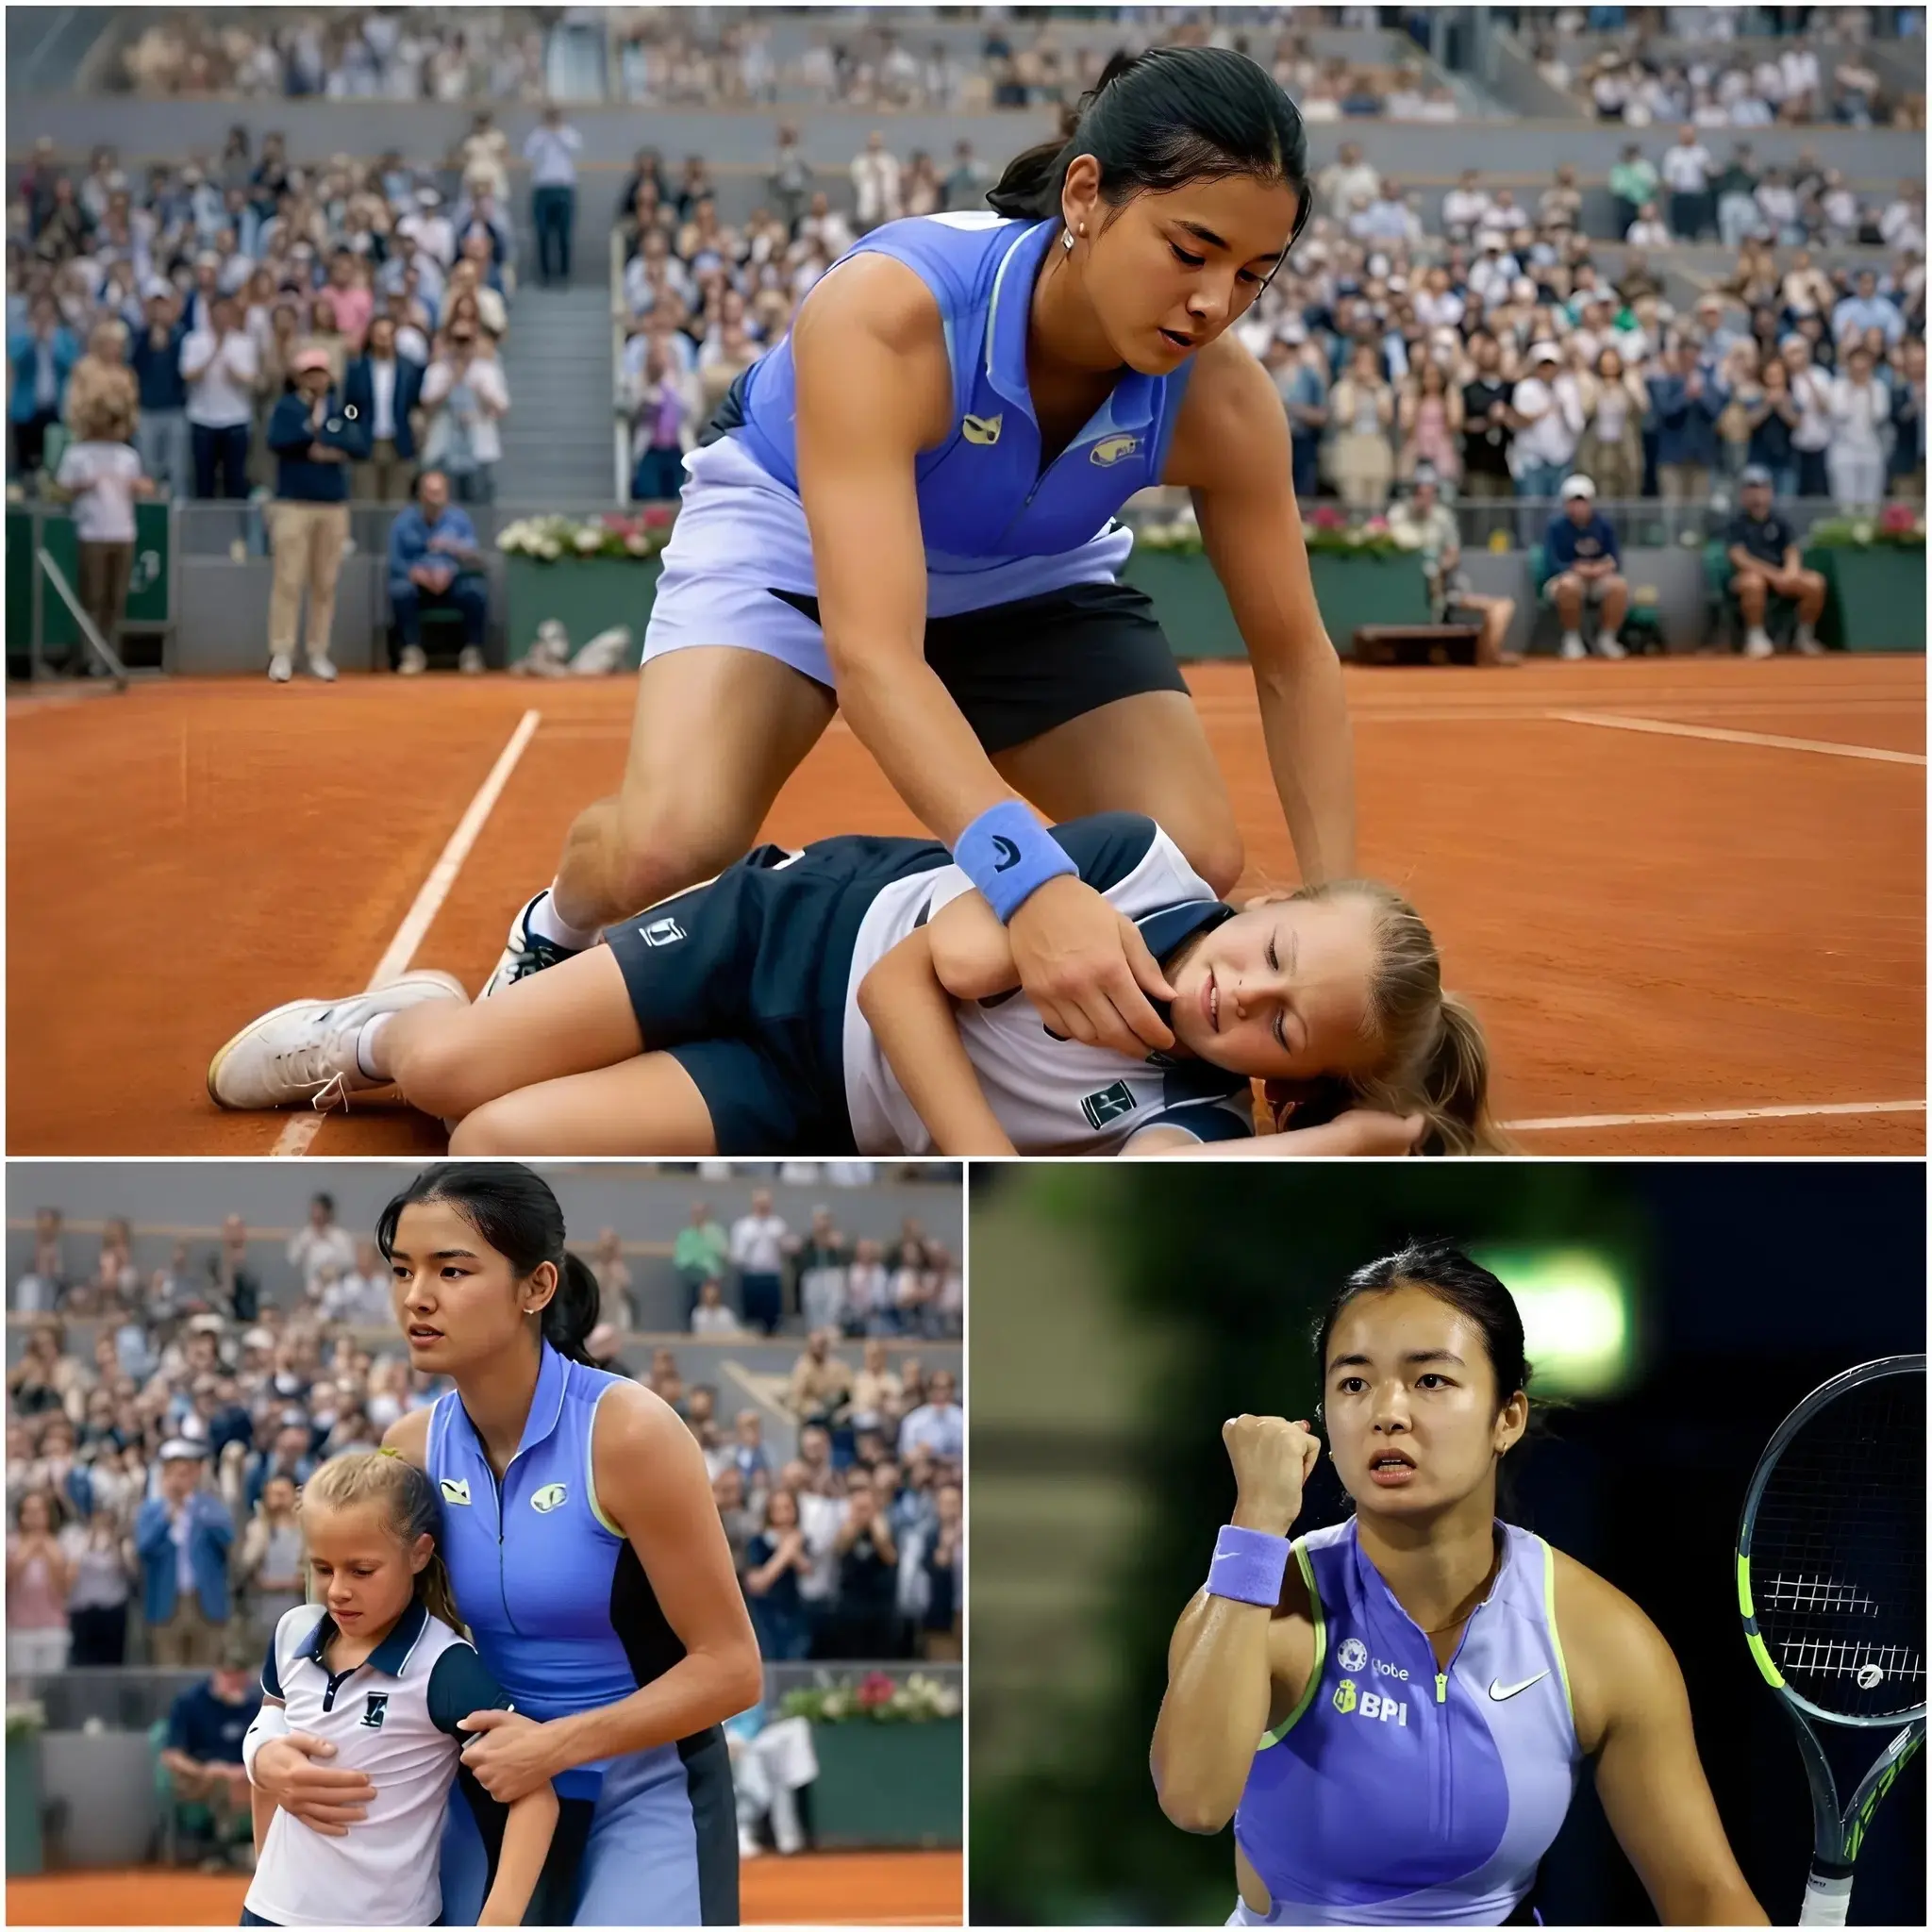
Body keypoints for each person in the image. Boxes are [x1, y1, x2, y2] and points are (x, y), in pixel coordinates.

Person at [475, 48, 1353, 1104]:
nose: (1215, 303)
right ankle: (554, 927)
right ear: (1085, 194)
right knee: (672, 841)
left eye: (1253, 275)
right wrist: (1027, 881)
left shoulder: (1220, 399)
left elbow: (1294, 657)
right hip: (792, 531)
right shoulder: (890, 315)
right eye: (1190, 250)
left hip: (1030, 571)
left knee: (1190, 854)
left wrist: (1340, 913)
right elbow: (877, 657)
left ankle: (968, 1008)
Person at [206, 810, 1499, 1158]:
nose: (1242, 1001)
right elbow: (903, 984)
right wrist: (982, 1154)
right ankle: (381, 1026)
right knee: (444, 1070)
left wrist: (1374, 1134)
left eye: (1284, 1031)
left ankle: (462, 1022)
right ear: (1265, 907)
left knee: (491, 1135)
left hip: (807, 1097)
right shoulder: (1136, 871)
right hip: (788, 932)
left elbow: (1183, 1174)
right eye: (1268, 959)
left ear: (1296, 1081)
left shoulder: (1198, 1118)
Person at [1150, 1241, 1768, 1926]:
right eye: (1354, 1383)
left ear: (1508, 1417)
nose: (1387, 1411)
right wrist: (1257, 1523)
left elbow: (1705, 1898)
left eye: (1431, 1381)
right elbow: (1194, 1802)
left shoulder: (1599, 1637)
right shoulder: (1264, 1598)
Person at [245, 1165, 760, 1925]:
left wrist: (554, 1747)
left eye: (452, 1270)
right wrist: (270, 1747)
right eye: (402, 1271)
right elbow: (360, 1632)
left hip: (645, 1788)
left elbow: (732, 1670)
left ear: (536, 1286)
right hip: (486, 1786)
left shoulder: (630, 1434)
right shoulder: (409, 1446)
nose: (416, 1295)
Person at [241, 1450, 558, 1925]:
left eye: (361, 1570)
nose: (337, 1591)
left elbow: (536, 1797)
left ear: (420, 1554)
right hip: (269, 1915)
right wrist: (266, 1876)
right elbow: (268, 1739)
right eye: (322, 1568)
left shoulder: (445, 1666)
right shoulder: (291, 1631)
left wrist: (497, 1921)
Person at [265, 347, 358, 684]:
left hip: (333, 504)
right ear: (299, 377)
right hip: (293, 503)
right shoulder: (287, 406)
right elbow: (280, 438)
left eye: (321, 372)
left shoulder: (342, 407)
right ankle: (282, 652)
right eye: (309, 373)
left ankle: (318, 651)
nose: (316, 378)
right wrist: (314, 439)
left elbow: (356, 439)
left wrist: (325, 443)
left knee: (325, 581)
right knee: (288, 579)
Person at [49, 398, 155, 673]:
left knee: (116, 599)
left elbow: (147, 486)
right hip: (91, 532)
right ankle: (90, 656)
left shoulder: (127, 455)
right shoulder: (77, 454)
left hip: (123, 533)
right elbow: (58, 490)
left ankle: (110, 656)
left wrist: (139, 485)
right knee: (92, 598)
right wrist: (82, 486)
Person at [1388, 473, 1518, 668]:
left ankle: (1490, 655)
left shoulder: (1443, 518)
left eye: (1429, 493)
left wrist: (1440, 569)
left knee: (1503, 607)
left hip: (1443, 589)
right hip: (1405, 592)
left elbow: (1452, 554)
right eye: (1420, 493)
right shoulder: (1397, 516)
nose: (1425, 498)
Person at [163, 1639, 261, 1873]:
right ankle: (223, 1852)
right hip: (198, 1775)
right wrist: (205, 1770)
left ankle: (254, 1850)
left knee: (259, 1783)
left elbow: (267, 1746)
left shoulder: (255, 1707)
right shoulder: (190, 1703)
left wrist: (247, 1770)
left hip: (243, 1775)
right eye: (228, 1674)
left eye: (238, 1674)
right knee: (221, 1783)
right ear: (216, 1673)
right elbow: (172, 1755)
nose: (233, 1680)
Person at [137, 1440, 235, 1666]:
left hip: (205, 1604)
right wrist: (168, 1516)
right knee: (167, 1672)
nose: (180, 1479)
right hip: (166, 1604)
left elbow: (227, 1538)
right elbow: (144, 1548)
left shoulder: (210, 1507)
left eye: (186, 1473)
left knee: (205, 1672)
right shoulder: (152, 1511)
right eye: (175, 1474)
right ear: (164, 1476)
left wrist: (192, 1506)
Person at [386, 468, 489, 675]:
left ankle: (471, 652)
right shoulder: (403, 521)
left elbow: (475, 557)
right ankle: (411, 652)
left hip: (451, 582)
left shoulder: (459, 519)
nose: (435, 498)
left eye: (439, 492)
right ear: (420, 495)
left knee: (475, 591)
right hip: (418, 584)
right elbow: (396, 561)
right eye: (430, 493)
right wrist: (415, 573)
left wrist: (453, 558)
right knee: (400, 591)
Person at [1724, 467, 1826, 660]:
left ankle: (1804, 637)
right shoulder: (1735, 523)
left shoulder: (1780, 521)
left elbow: (1792, 551)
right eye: (1752, 488)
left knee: (1814, 582)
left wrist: (1790, 573)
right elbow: (1740, 558)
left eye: (1762, 488)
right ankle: (1756, 637)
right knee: (1753, 583)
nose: (1757, 494)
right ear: (1743, 494)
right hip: (1747, 579)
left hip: (1781, 577)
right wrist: (1774, 576)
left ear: (1770, 492)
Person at [181, 293, 259, 500]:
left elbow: (250, 379)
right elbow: (188, 375)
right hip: (202, 418)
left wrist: (231, 368)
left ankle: (236, 529)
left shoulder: (244, 343)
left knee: (235, 480)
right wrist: (213, 353)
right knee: (203, 481)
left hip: (236, 419)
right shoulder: (194, 341)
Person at [1542, 476, 1628, 662]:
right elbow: (1551, 563)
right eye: (1573, 502)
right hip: (1565, 579)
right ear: (1566, 504)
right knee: (1569, 585)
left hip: (1598, 579)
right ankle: (1572, 639)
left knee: (1618, 586)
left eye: (1582, 501)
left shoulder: (1604, 526)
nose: (1578, 507)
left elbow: (1615, 560)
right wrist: (1575, 569)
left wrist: (1601, 568)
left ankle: (1607, 638)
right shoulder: (1556, 527)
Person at [342, 313, 424, 504]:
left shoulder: (408, 369)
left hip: (399, 443)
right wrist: (353, 427)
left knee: (397, 502)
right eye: (379, 335)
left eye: (388, 335)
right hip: (367, 442)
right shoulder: (358, 369)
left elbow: (415, 403)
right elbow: (349, 406)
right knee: (365, 501)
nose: (384, 340)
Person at [8, 1489, 75, 1677]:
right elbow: (9, 1581)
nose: (34, 1517)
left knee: (50, 1687)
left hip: (53, 1628)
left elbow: (63, 1589)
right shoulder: (10, 1545)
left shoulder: (59, 1545)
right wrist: (27, 1549)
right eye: (29, 1512)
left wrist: (50, 1552)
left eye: (39, 1511)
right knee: (22, 1688)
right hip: (19, 1629)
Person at [525, 106, 582, 287]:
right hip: (542, 187)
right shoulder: (537, 135)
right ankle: (544, 275)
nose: (553, 120)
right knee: (542, 232)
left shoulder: (569, 133)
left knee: (564, 233)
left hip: (564, 187)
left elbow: (576, 148)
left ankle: (564, 274)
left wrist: (558, 133)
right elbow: (528, 153)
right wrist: (545, 134)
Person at [730, 1191, 790, 1337]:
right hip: (751, 1275)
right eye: (760, 1203)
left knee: (772, 1319)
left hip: (772, 1276)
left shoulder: (778, 1225)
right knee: (751, 1319)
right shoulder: (743, 1226)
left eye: (766, 1204)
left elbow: (786, 1249)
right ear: (754, 1204)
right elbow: (736, 1255)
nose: (763, 1207)